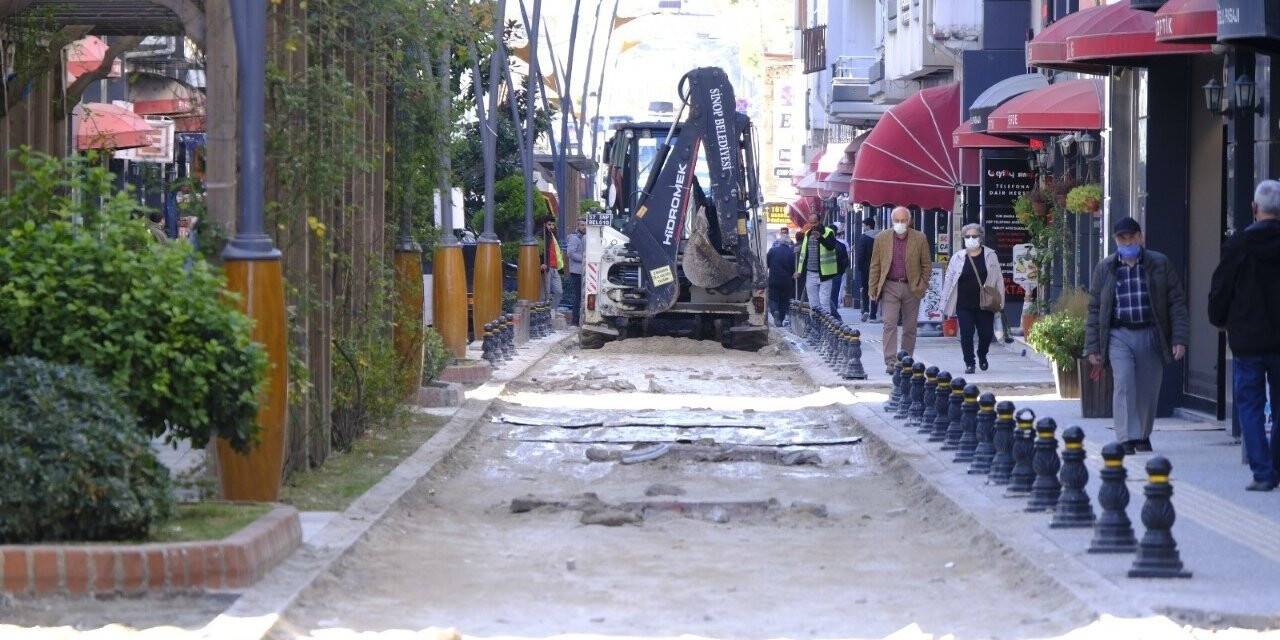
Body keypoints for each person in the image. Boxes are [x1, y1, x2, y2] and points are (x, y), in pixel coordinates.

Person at [1085, 216, 1189, 455]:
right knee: (1124, 383)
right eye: (1123, 237)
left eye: (1132, 236)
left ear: (1141, 237)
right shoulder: (1105, 267)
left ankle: (1142, 435)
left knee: (1148, 388)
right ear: (1115, 240)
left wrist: (1179, 339)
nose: (1128, 241)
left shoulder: (1159, 263)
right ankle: (1125, 437)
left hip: (1151, 332)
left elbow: (1177, 303)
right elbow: (1094, 309)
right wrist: (1093, 347)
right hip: (1119, 334)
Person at [1209, 180, 1280, 490]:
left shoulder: (1238, 246)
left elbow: (1221, 290)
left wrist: (1220, 319)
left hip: (1248, 340)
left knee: (1249, 406)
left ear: (1254, 209)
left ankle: (1263, 473)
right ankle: (1276, 465)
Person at [869, 207, 932, 373]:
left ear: (909, 221)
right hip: (889, 285)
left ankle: (906, 360)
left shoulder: (919, 238)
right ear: (892, 221)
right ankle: (890, 362)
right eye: (897, 220)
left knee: (910, 327)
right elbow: (875, 265)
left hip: (912, 287)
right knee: (889, 324)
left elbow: (926, 264)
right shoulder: (882, 238)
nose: (900, 223)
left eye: (903, 220)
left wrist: (922, 284)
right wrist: (873, 287)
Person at [940, 224, 1005, 374]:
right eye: (967, 236)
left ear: (981, 237)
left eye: (974, 236)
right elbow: (949, 279)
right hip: (963, 303)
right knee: (966, 334)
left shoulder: (990, 255)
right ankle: (969, 362)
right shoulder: (958, 257)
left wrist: (1001, 302)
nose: (971, 239)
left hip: (985, 303)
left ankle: (982, 354)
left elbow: (998, 279)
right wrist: (943, 303)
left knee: (986, 334)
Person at [794, 211, 839, 313]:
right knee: (813, 303)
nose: (812, 225)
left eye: (814, 223)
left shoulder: (828, 232)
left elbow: (831, 247)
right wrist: (799, 271)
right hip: (811, 273)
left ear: (819, 221)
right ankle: (816, 326)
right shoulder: (807, 234)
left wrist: (820, 238)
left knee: (824, 303)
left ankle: (826, 327)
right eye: (810, 223)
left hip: (825, 273)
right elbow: (804, 254)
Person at [766, 230, 796, 327]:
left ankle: (775, 311)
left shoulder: (773, 251)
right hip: (787, 281)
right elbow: (794, 268)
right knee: (784, 300)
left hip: (774, 279)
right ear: (789, 243)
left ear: (780, 242)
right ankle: (781, 319)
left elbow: (767, 263)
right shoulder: (792, 253)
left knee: (773, 298)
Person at [539, 215, 565, 307]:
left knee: (559, 292)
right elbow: (538, 251)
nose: (551, 227)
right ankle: (543, 313)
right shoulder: (541, 235)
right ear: (544, 224)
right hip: (546, 267)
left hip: (554, 267)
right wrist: (541, 263)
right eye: (549, 224)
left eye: (552, 225)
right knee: (545, 294)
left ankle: (552, 311)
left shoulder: (553, 235)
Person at [564, 218, 586, 324]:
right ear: (577, 226)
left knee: (582, 296)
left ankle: (580, 319)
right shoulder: (574, 238)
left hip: (584, 271)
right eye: (582, 225)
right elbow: (570, 253)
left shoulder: (585, 237)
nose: (584, 227)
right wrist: (584, 259)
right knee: (578, 296)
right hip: (577, 271)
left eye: (585, 225)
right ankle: (575, 320)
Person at [856, 217, 878, 323]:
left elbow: (860, 254)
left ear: (868, 226)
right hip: (878, 268)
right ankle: (874, 313)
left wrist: (859, 267)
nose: (863, 228)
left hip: (866, 268)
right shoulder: (881, 237)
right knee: (875, 290)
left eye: (864, 226)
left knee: (865, 289)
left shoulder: (864, 238)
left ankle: (865, 309)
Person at [830, 223, 850, 317]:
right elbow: (846, 261)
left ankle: (829, 314)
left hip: (826, 275)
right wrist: (841, 272)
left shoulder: (822, 244)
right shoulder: (841, 245)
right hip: (837, 274)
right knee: (834, 294)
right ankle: (833, 314)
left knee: (826, 295)